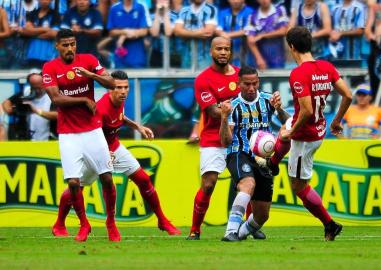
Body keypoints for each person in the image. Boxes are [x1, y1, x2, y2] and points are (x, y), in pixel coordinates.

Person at [53, 70, 181, 239]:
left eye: (126, 87)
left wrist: (138, 126)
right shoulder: (100, 109)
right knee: (77, 186)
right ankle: (60, 223)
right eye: (118, 87)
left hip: (114, 147)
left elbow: (120, 117)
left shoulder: (120, 100)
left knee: (143, 179)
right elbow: (94, 136)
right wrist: (105, 154)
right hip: (96, 152)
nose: (123, 91)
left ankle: (162, 220)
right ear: (109, 89)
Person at [43, 29, 117, 242]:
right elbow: (56, 99)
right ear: (57, 46)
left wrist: (91, 75)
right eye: (65, 45)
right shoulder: (50, 68)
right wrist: (83, 100)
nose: (69, 49)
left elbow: (112, 83)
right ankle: (84, 224)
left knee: (107, 177)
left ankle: (111, 223)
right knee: (74, 183)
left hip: (93, 130)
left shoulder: (89, 60)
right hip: (68, 133)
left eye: (72, 44)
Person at [283, 26, 352, 241]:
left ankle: (330, 224)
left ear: (292, 47)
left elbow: (306, 110)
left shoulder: (298, 73)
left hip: (305, 136)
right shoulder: (326, 67)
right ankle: (271, 163)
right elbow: (348, 95)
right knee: (282, 129)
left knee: (298, 186)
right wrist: (337, 121)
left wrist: (292, 131)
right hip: (319, 131)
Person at [219, 66, 290, 241]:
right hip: (238, 152)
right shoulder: (232, 106)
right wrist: (223, 117)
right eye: (247, 84)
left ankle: (241, 233)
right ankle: (230, 232)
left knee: (262, 215)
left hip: (263, 158)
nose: (251, 88)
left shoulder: (268, 100)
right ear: (238, 84)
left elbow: (289, 123)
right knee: (247, 184)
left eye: (255, 83)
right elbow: (225, 141)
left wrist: (279, 109)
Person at [186, 36, 239, 240]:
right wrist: (230, 108)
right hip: (212, 137)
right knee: (208, 184)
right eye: (219, 49)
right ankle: (195, 229)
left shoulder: (240, 76)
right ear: (211, 52)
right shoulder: (203, 79)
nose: (223, 52)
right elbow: (213, 112)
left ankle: (250, 227)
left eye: (226, 48)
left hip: (239, 137)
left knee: (247, 183)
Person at [173, 0, 217, 69]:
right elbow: (177, 31)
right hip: (186, 55)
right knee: (186, 79)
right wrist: (199, 32)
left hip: (204, 56)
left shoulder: (211, 9)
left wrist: (185, 32)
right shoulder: (184, 10)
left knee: (204, 79)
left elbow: (208, 32)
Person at [245, 0, 289, 70]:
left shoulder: (279, 10)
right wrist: (259, 58)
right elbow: (250, 40)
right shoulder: (252, 16)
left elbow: (283, 31)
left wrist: (262, 35)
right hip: (260, 59)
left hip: (278, 57)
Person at [107, 0, 150, 68]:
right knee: (120, 77)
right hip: (119, 56)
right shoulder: (114, 8)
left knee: (139, 76)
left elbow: (144, 31)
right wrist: (125, 32)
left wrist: (124, 36)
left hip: (137, 55)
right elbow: (111, 32)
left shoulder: (140, 7)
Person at [216, 0, 253, 67]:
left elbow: (247, 30)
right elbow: (218, 29)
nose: (235, 1)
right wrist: (221, 33)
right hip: (227, 51)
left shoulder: (250, 12)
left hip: (245, 51)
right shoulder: (223, 12)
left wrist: (226, 35)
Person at [22, 72, 57, 141]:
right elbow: (7, 103)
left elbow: (58, 115)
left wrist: (36, 110)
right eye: (34, 88)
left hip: (48, 139)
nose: (37, 91)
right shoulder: (27, 92)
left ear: (44, 84)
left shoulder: (53, 95)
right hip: (30, 139)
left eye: (39, 88)